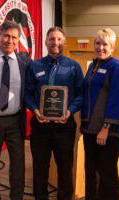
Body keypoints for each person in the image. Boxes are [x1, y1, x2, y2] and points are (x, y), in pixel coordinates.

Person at [25, 27, 83, 200]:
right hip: (40, 126)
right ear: (46, 42)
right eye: (51, 39)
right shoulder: (35, 65)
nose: (55, 43)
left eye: (59, 39)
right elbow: (27, 93)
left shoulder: (74, 66)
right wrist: (35, 110)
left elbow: (80, 95)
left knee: (65, 168)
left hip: (64, 127)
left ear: (64, 42)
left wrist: (69, 111)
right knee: (40, 167)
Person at [0, 21, 32, 200]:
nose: (9, 40)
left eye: (14, 37)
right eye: (6, 35)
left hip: (15, 121)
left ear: (18, 40)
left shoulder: (25, 62)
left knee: (18, 165)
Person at [80, 28, 119, 200]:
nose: (101, 47)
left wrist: (106, 127)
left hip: (106, 131)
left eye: (105, 44)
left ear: (112, 46)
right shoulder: (93, 65)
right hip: (90, 130)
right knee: (91, 172)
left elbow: (116, 98)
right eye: (97, 43)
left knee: (107, 175)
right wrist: (82, 123)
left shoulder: (116, 67)